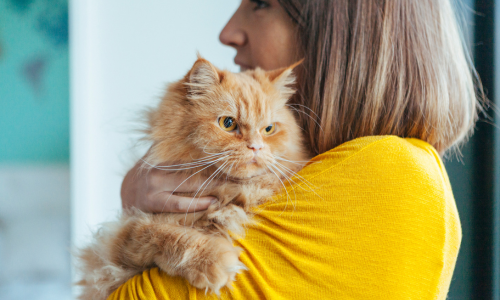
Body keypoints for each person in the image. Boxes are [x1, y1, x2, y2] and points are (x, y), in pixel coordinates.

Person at [113, 0, 483, 299]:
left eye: (261, 3)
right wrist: (137, 195)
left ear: (346, 32)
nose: (227, 32)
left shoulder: (393, 171)